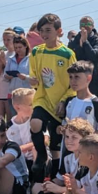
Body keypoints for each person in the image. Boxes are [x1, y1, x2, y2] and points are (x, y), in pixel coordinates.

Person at [26, 13, 76, 183]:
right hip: (43, 99)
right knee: (35, 123)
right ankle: (40, 155)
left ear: (59, 31)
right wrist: (33, 81)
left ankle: (54, 175)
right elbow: (34, 76)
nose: (44, 34)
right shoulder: (36, 52)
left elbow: (73, 82)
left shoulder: (67, 54)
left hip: (60, 103)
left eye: (48, 30)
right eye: (41, 31)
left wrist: (64, 100)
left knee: (56, 144)